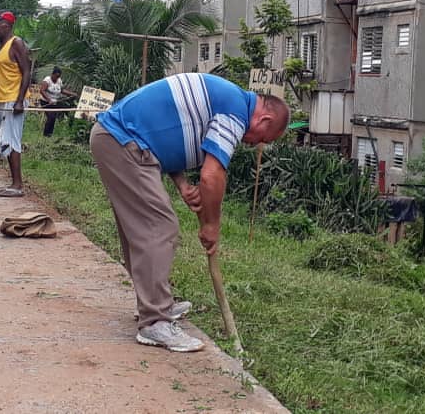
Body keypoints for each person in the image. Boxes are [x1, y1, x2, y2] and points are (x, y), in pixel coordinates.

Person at [90, 73, 290, 352]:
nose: (254, 144)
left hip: (121, 139)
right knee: (159, 227)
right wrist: (212, 224)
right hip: (122, 141)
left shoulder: (228, 99)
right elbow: (212, 175)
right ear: (263, 121)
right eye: (261, 139)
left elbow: (165, 136)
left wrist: (182, 184)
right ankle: (154, 321)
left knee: (141, 229)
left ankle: (154, 304)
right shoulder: (236, 111)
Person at [0, 11, 31, 197]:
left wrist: (19, 101)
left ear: (8, 25)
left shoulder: (16, 43)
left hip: (13, 100)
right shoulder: (0, 47)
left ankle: (17, 185)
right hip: (0, 101)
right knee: (3, 142)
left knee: (12, 140)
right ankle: (13, 183)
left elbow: (26, 72)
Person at [39, 67, 77, 137]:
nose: (56, 78)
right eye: (56, 76)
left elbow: (62, 90)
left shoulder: (59, 81)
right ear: (52, 74)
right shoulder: (47, 80)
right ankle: (46, 134)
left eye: (58, 76)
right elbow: (42, 91)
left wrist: (72, 94)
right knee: (51, 117)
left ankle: (50, 134)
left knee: (56, 116)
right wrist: (49, 99)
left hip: (55, 101)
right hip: (46, 102)